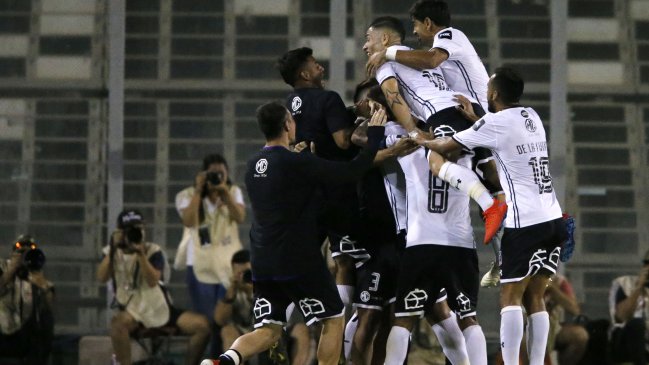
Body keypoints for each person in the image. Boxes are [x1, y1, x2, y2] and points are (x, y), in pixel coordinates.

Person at [201, 101, 386, 365]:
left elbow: (289, 193)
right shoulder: (295, 162)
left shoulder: (253, 165)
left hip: (263, 261)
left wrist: (305, 162)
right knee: (333, 319)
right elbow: (350, 171)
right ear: (288, 125)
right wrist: (376, 134)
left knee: (269, 329)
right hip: (297, 259)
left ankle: (225, 360)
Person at [413, 67, 567, 365]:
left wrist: (421, 138)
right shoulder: (531, 116)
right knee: (535, 298)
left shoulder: (495, 123)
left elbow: (448, 145)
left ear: (493, 93)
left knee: (509, 299)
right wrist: (476, 117)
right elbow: (498, 128)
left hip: (525, 223)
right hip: (553, 218)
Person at [363, 16, 507, 245]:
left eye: (368, 39)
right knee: (488, 173)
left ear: (385, 39)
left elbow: (394, 97)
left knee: (437, 162)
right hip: (466, 110)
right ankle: (520, 224)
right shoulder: (418, 56)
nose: (365, 46)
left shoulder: (384, 64)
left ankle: (491, 207)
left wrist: (413, 132)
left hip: (442, 115)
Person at [277, 47, 367, 321]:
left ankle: (277, 320)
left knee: (302, 257)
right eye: (316, 65)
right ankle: (337, 325)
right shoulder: (328, 99)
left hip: (302, 194)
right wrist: (363, 123)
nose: (321, 69)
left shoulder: (287, 105)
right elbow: (342, 140)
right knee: (344, 260)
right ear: (305, 73)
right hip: (334, 191)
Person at [97, 209, 211, 365]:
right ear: (119, 231)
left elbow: (153, 280)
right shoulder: (110, 252)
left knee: (202, 325)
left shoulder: (153, 250)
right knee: (117, 324)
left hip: (159, 306)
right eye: (130, 229)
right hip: (132, 311)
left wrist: (141, 254)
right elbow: (101, 277)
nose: (135, 232)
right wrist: (113, 247)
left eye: (139, 228)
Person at [174, 153, 246, 356]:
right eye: (212, 174)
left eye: (221, 174)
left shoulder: (233, 192)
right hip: (200, 267)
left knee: (223, 321)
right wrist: (199, 190)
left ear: (227, 174)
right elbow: (188, 221)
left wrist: (224, 193)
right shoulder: (187, 195)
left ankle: (218, 360)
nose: (217, 178)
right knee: (206, 321)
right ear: (203, 174)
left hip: (226, 268)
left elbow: (240, 216)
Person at [215, 249, 312, 365]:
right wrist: (231, 294)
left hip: (274, 327)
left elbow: (278, 315)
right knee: (227, 330)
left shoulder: (269, 280)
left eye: (248, 273)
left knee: (301, 330)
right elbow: (219, 320)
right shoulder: (230, 287)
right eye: (239, 274)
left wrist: (253, 292)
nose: (245, 277)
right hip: (244, 330)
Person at [0, 234, 54, 365]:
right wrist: (11, 269)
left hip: (25, 332)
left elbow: (49, 305)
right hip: (2, 328)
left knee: (46, 318)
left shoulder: (36, 273)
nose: (24, 253)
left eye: (29, 250)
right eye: (20, 249)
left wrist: (42, 285)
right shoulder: (3, 266)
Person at [609, 249, 649, 365]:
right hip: (626, 340)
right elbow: (621, 317)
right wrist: (638, 288)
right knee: (637, 324)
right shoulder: (624, 283)